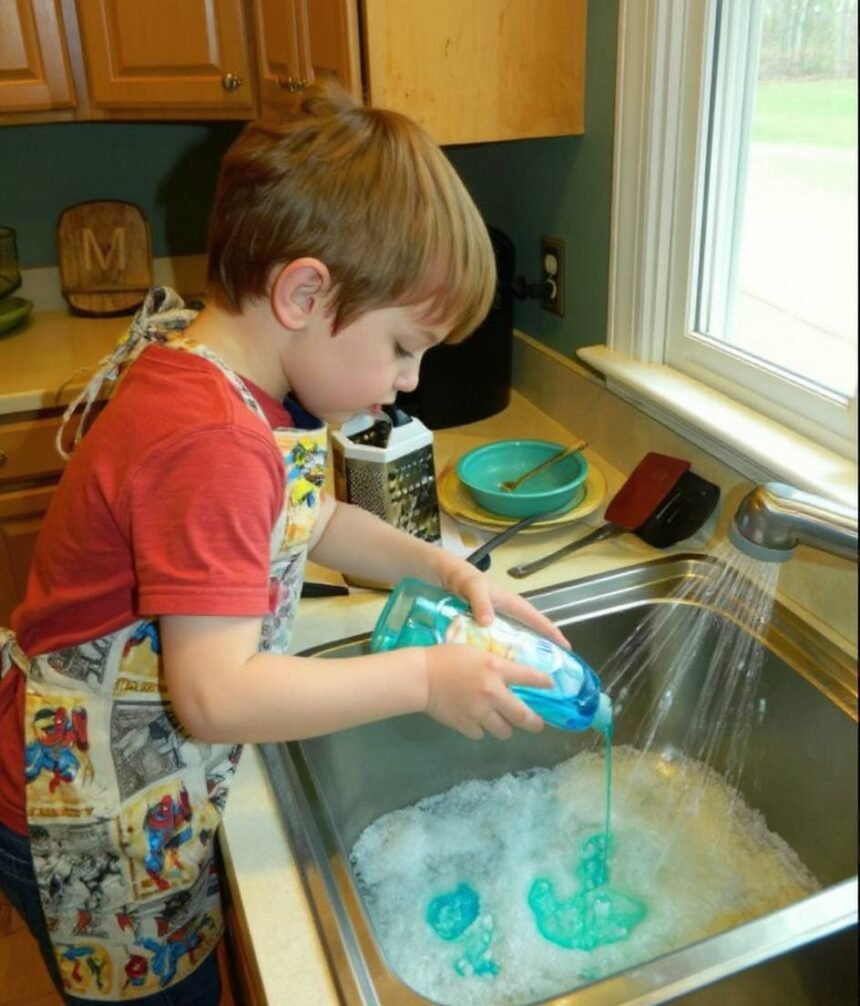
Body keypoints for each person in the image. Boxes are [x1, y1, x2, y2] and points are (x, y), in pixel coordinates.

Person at [0, 81, 566, 1005]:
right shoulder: (212, 441)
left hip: (135, 782)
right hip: (89, 813)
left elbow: (306, 516)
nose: (410, 380)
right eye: (403, 346)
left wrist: (438, 566)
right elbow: (217, 694)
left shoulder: (225, 374)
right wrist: (425, 680)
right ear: (304, 293)